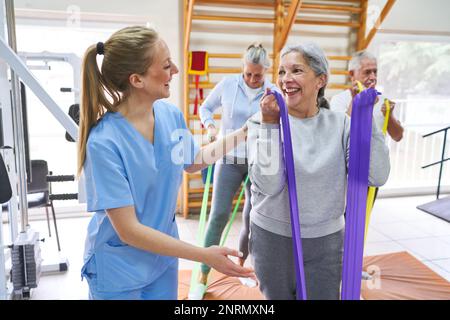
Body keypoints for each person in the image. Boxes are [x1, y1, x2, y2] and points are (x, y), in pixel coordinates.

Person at [78, 26, 253, 300]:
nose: (176, 70)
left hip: (162, 261)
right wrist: (203, 255)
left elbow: (194, 161)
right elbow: (129, 231)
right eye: (166, 64)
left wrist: (242, 134)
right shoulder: (104, 142)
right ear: (137, 79)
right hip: (118, 268)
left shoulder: (170, 115)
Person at [246, 42, 390, 300]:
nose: (285, 80)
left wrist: (366, 121)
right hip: (273, 239)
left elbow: (376, 175)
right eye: (281, 72)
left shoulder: (340, 124)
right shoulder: (263, 120)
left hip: (325, 241)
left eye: (296, 71)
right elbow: (268, 185)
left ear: (320, 80)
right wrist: (270, 124)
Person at [198, 44, 278, 287]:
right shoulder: (228, 84)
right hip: (229, 159)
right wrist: (211, 127)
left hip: (258, 161)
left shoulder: (272, 91)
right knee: (219, 215)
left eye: (258, 75)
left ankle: (242, 268)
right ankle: (203, 273)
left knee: (253, 218)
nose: (252, 79)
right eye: (248, 74)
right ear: (242, 69)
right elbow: (205, 108)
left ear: (265, 72)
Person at [330, 50, 404, 141]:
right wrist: (355, 100)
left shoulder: (383, 101)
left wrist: (389, 116)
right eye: (367, 72)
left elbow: (398, 137)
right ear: (352, 74)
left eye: (375, 72)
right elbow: (341, 133)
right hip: (352, 155)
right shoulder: (339, 100)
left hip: (379, 155)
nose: (373, 77)